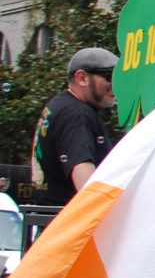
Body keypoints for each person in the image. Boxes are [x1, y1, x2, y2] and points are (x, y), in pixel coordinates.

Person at [30, 47, 117, 206]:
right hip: (71, 224)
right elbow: (87, 185)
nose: (116, 84)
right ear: (82, 78)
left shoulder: (60, 105)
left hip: (53, 223)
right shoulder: (76, 114)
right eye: (109, 76)